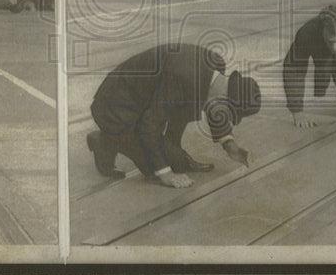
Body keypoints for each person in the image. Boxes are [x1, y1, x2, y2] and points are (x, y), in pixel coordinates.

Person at [87, 43, 261, 188]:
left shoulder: (215, 68)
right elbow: (149, 127)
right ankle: (104, 140)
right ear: (224, 99)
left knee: (178, 162)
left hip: (140, 103)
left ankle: (172, 155)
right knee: (155, 169)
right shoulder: (181, 77)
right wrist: (166, 174)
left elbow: (208, 104)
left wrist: (230, 146)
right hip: (115, 110)